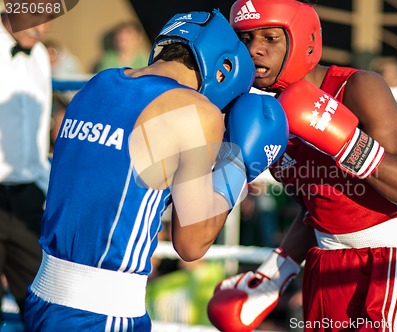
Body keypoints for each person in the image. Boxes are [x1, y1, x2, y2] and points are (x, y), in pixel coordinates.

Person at [23, 9, 288, 331]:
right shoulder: (194, 110)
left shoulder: (99, 83)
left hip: (42, 296)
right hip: (101, 311)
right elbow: (192, 243)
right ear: (224, 71)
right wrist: (238, 164)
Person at [207, 1, 397, 331]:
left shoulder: (357, 88)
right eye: (245, 39)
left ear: (303, 39)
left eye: (270, 38)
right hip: (324, 266)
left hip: (389, 265)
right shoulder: (264, 118)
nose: (255, 50)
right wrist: (274, 274)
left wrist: (346, 143)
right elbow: (316, 209)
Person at [0, 6, 55, 328]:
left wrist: (44, 186)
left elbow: (36, 131)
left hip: (28, 199)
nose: (44, 28)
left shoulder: (37, 58)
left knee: (41, 307)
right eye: (38, 16)